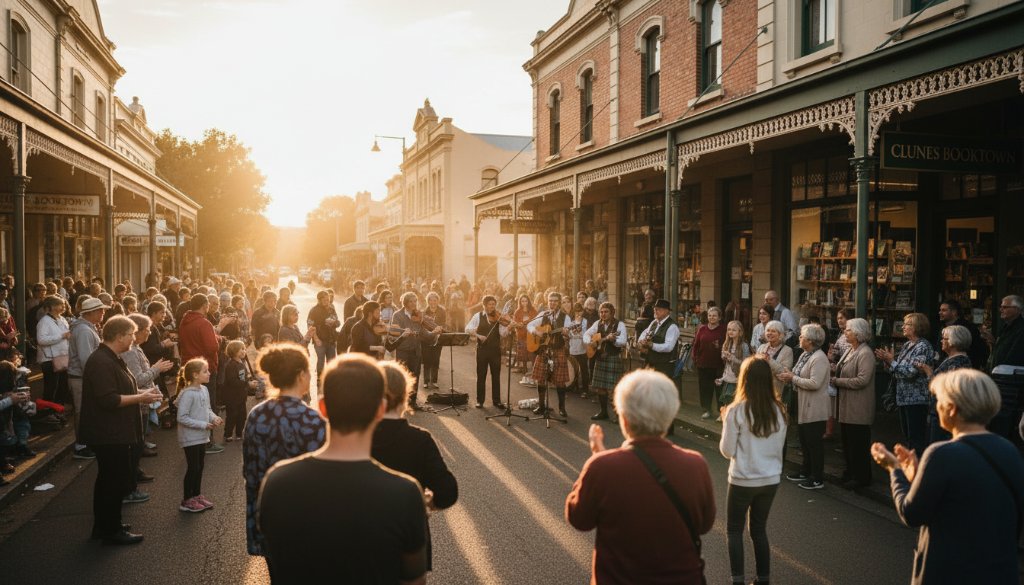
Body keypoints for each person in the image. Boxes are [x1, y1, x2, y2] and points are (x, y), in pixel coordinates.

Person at [257, 354, 428, 583]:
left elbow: (277, 559)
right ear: (380, 410)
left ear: (322, 408)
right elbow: (414, 580)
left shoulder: (278, 481)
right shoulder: (405, 493)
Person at [872, 369, 1024, 585]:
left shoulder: (941, 453)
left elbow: (912, 513)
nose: (936, 406)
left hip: (950, 572)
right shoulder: (1010, 451)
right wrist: (918, 476)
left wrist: (894, 469)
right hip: (999, 572)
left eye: (939, 400)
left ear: (952, 408)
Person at [566, 369, 715, 585]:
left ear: (624, 419)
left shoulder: (603, 468)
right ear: (669, 416)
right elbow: (704, 524)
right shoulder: (696, 465)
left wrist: (596, 462)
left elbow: (579, 518)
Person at [80, 316, 163, 545]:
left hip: (114, 432)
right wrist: (141, 397)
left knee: (111, 480)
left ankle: (107, 526)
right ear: (118, 336)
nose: (133, 339)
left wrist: (142, 397)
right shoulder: (101, 361)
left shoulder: (112, 358)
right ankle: (110, 529)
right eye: (131, 334)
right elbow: (108, 400)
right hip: (108, 433)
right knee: (112, 481)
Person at [372, 361, 458, 571]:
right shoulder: (420, 440)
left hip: (364, 535)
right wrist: (427, 504)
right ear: (405, 396)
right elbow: (447, 492)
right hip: (408, 534)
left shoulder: (356, 436)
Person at [243, 342, 326, 558]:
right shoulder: (312, 420)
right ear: (301, 375)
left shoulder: (256, 414)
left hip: (266, 511)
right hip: (303, 516)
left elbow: (250, 471)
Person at [719, 358, 787, 585]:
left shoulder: (736, 410)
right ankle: (763, 579)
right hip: (770, 478)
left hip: (742, 479)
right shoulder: (779, 411)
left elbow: (727, 451)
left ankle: (737, 579)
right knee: (758, 530)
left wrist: (724, 422)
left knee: (734, 530)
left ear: (744, 380)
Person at [778, 323, 830, 490]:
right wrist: (788, 376)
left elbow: (815, 383)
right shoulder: (805, 354)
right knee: (805, 441)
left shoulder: (819, 358)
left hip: (814, 406)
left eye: (802, 336)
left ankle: (817, 478)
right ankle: (806, 471)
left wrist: (792, 378)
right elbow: (796, 373)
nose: (799, 338)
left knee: (814, 443)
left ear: (810, 340)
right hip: (802, 403)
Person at [875, 313, 935, 458]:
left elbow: (910, 372)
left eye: (907, 324)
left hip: (916, 400)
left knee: (916, 439)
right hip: (903, 398)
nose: (903, 326)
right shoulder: (908, 345)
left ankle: (917, 472)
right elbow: (897, 371)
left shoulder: (923, 346)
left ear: (917, 327)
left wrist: (892, 361)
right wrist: (887, 362)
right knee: (907, 437)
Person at [178, 294, 230, 454]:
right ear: (204, 305)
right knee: (207, 404)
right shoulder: (204, 323)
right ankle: (207, 442)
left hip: (189, 366)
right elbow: (211, 347)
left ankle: (196, 441)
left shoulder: (184, 320)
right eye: (208, 304)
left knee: (193, 405)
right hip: (204, 368)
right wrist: (219, 340)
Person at [830, 317, 876, 490]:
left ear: (858, 333)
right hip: (846, 406)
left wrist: (838, 381)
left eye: (848, 329)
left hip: (858, 407)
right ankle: (850, 472)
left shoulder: (865, 353)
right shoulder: (850, 350)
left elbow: (862, 380)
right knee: (848, 443)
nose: (845, 332)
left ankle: (862, 477)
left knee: (859, 444)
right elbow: (844, 369)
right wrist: (834, 368)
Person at [175, 358, 223, 513]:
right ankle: (187, 500)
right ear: (195, 375)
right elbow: (181, 417)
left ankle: (196, 495)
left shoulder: (204, 389)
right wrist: (203, 425)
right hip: (190, 438)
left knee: (200, 466)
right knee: (193, 467)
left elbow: (207, 409)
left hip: (202, 436)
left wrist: (214, 417)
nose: (209, 373)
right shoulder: (188, 394)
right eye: (205, 371)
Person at [916, 324, 973, 444]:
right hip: (939, 413)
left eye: (945, 338)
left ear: (954, 341)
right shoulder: (951, 359)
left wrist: (929, 372)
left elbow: (944, 390)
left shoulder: (958, 363)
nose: (941, 341)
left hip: (945, 415)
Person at [391, 292, 442, 409]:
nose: (414, 304)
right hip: (403, 350)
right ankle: (400, 402)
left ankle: (412, 403)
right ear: (405, 303)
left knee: (415, 376)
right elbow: (394, 332)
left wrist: (433, 333)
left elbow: (424, 333)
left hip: (416, 350)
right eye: (411, 301)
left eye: (415, 301)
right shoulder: (397, 315)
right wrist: (405, 333)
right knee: (402, 377)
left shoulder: (418, 315)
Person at [528, 292, 573, 417]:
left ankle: (562, 408)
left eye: (555, 301)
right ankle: (542, 406)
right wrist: (536, 333)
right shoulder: (543, 314)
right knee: (541, 379)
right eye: (550, 301)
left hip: (558, 350)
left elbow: (571, 334)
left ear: (559, 303)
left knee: (560, 381)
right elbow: (529, 325)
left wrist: (566, 333)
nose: (552, 303)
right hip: (544, 350)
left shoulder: (566, 318)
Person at [583, 302, 627, 421]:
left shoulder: (619, 325)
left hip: (613, 357)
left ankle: (618, 415)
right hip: (600, 357)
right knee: (600, 387)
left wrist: (613, 340)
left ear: (612, 312)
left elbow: (623, 341)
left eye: (606, 311)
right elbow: (586, 334)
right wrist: (590, 342)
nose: (603, 314)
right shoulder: (597, 323)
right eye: (601, 312)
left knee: (615, 388)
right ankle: (603, 412)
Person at [465, 295, 510, 409]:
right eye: (490, 304)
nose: (492, 307)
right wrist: (478, 335)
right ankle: (480, 401)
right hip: (482, 350)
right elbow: (467, 329)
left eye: (494, 304)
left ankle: (497, 401)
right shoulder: (478, 316)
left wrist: (509, 327)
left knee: (496, 376)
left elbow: (503, 334)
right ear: (484, 305)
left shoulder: (498, 317)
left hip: (495, 350)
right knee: (481, 375)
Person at [35, 296, 71, 406]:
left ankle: (58, 410)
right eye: (60, 305)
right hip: (49, 360)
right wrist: (62, 336)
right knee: (51, 388)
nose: (63, 307)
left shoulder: (62, 319)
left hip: (62, 357)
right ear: (51, 307)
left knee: (62, 386)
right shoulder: (44, 321)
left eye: (63, 304)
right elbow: (41, 340)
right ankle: (47, 413)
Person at [693, 306, 727, 420]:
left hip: (718, 365)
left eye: (714, 316)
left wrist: (720, 346)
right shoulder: (702, 329)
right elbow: (696, 345)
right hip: (703, 364)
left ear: (719, 318)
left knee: (719, 390)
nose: (711, 318)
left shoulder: (724, 330)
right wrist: (696, 359)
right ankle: (707, 410)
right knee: (705, 389)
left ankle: (721, 412)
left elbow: (727, 346)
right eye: (710, 315)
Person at [935, 299, 988, 369]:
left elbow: (978, 349)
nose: (940, 312)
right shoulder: (943, 327)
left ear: (954, 312)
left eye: (944, 310)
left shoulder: (967, 328)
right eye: (940, 310)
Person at [220, 340, 257, 442]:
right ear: (234, 351)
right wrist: (247, 384)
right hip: (232, 397)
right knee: (232, 415)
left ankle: (239, 433)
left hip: (241, 395)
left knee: (242, 415)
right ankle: (228, 434)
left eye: (244, 349)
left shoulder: (242, 363)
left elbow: (244, 377)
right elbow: (232, 381)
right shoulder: (231, 365)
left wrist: (250, 381)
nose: (244, 351)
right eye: (241, 349)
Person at [639, 299, 680, 381]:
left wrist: (652, 345)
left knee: (659, 391)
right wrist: (641, 341)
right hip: (650, 363)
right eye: (655, 309)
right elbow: (644, 333)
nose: (655, 311)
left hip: (664, 366)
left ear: (666, 312)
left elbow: (668, 347)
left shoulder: (672, 327)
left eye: (658, 310)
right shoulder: (654, 322)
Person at [717, 320, 751, 417]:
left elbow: (746, 363)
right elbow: (726, 365)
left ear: (740, 332)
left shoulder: (744, 346)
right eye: (729, 330)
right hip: (728, 377)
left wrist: (733, 358)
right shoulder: (727, 344)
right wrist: (722, 378)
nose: (730, 332)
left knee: (735, 402)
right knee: (727, 401)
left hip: (738, 379)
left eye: (734, 330)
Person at [755, 321, 794, 406]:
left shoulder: (787, 350)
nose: (769, 333)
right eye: (768, 330)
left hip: (777, 393)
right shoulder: (761, 347)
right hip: (760, 390)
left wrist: (770, 361)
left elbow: (785, 373)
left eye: (773, 331)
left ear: (780, 334)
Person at [981, 294, 1024, 369]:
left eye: (1004, 307)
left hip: (1009, 376)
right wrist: (993, 343)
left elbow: (1014, 356)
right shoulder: (1006, 326)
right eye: (1001, 307)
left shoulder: (1020, 329)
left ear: (1017, 309)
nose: (1000, 310)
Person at [307, 290, 339, 380]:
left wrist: (333, 322)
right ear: (319, 300)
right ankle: (319, 379)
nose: (327, 302)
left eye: (328, 299)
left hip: (331, 340)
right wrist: (316, 339)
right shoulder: (314, 311)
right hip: (320, 340)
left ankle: (331, 378)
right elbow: (310, 325)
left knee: (332, 361)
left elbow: (338, 321)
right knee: (320, 361)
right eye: (325, 300)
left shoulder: (331, 309)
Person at [420, 292, 447, 390]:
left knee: (436, 359)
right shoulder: (423, 312)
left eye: (435, 300)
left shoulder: (442, 311)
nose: (432, 302)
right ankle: (426, 381)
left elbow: (444, 323)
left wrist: (440, 328)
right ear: (428, 301)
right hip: (426, 338)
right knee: (426, 359)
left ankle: (434, 381)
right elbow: (421, 325)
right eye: (430, 300)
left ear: (437, 301)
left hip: (438, 337)